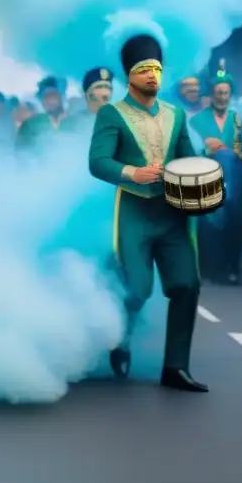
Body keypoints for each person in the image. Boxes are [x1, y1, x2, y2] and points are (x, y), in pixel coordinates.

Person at [87, 28, 208, 393]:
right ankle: (120, 340)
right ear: (129, 75)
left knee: (187, 284)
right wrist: (132, 172)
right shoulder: (112, 114)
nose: (153, 75)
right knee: (138, 289)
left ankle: (176, 367)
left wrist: (204, 177)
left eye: (157, 69)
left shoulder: (176, 114)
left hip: (173, 213)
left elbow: (188, 158)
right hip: (134, 211)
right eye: (144, 69)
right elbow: (97, 162)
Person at [188, 60, 242, 285]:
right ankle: (211, 268)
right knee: (210, 224)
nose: (222, 97)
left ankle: (232, 266)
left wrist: (238, 150)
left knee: (237, 221)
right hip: (206, 180)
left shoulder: (239, 119)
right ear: (211, 94)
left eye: (225, 93)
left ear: (230, 94)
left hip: (236, 181)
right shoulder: (196, 120)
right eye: (218, 92)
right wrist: (206, 149)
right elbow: (188, 149)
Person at [15, 75, 66, 154]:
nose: (50, 100)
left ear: (61, 97)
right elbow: (20, 153)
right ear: (41, 101)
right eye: (46, 97)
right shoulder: (30, 125)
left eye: (53, 95)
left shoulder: (74, 122)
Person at [62, 67, 113, 135]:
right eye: (99, 87)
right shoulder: (72, 122)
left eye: (108, 88)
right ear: (86, 93)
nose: (105, 93)